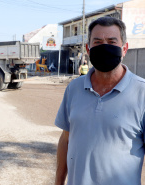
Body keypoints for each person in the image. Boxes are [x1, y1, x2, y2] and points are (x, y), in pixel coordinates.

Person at [55, 16, 145, 185]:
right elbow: (66, 139)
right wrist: (58, 182)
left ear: (124, 49)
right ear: (88, 49)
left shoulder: (142, 93)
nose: (104, 47)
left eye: (112, 42)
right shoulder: (74, 89)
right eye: (97, 42)